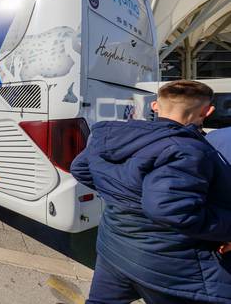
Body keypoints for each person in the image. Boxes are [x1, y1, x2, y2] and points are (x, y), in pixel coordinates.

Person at [71, 80, 231, 304]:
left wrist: (122, 198)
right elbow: (168, 209)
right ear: (208, 111)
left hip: (113, 248)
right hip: (167, 265)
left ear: (155, 106)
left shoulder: (110, 135)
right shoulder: (190, 150)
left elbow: (80, 168)